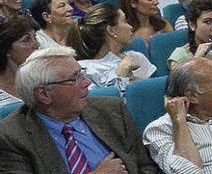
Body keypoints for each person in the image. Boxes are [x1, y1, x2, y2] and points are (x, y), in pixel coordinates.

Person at [0, 47, 158, 173]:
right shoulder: (11, 137)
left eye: (82, 74)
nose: (87, 83)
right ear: (43, 94)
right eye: (74, 78)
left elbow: (145, 166)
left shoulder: (112, 110)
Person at [67, 3, 155, 94]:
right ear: (111, 30)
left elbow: (154, 96)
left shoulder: (136, 57)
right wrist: (121, 72)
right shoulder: (85, 69)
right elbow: (99, 105)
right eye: (124, 21)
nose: (130, 27)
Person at [0, 15, 41, 107]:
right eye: (26, 40)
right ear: (6, 49)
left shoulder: (44, 81)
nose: (36, 45)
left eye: (35, 37)